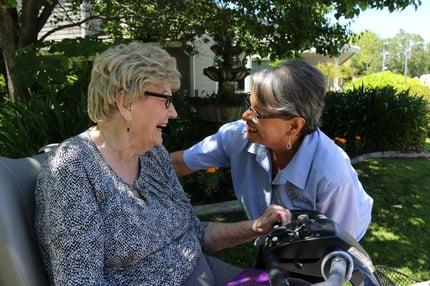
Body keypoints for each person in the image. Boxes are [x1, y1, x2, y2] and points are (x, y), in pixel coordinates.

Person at [34, 42, 291, 286]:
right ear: (125, 102)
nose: (173, 112)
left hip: (204, 271)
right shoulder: (72, 170)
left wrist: (256, 227)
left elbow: (194, 233)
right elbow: (81, 281)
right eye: (165, 99)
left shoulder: (153, 155)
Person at [171, 59, 373, 241]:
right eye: (249, 104)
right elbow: (179, 163)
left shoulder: (332, 175)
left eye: (258, 113)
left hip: (336, 238)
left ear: (294, 125)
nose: (245, 116)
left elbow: (339, 247)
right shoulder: (238, 136)